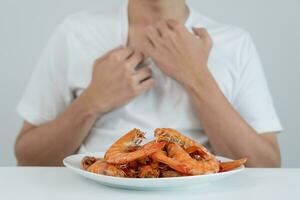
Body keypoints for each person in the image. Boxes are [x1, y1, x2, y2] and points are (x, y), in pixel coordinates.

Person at [15, 0, 282, 167]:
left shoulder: (235, 43)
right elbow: (28, 158)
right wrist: (92, 101)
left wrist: (198, 78)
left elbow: (266, 168)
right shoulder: (75, 32)